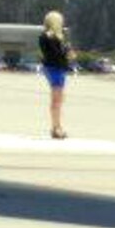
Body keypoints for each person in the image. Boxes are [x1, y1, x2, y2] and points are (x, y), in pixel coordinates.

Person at [38, 10, 74, 139]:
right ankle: (56, 128)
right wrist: (67, 51)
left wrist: (66, 50)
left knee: (58, 100)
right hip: (55, 69)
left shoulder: (49, 36)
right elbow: (56, 54)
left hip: (54, 68)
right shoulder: (50, 37)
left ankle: (56, 127)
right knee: (57, 100)